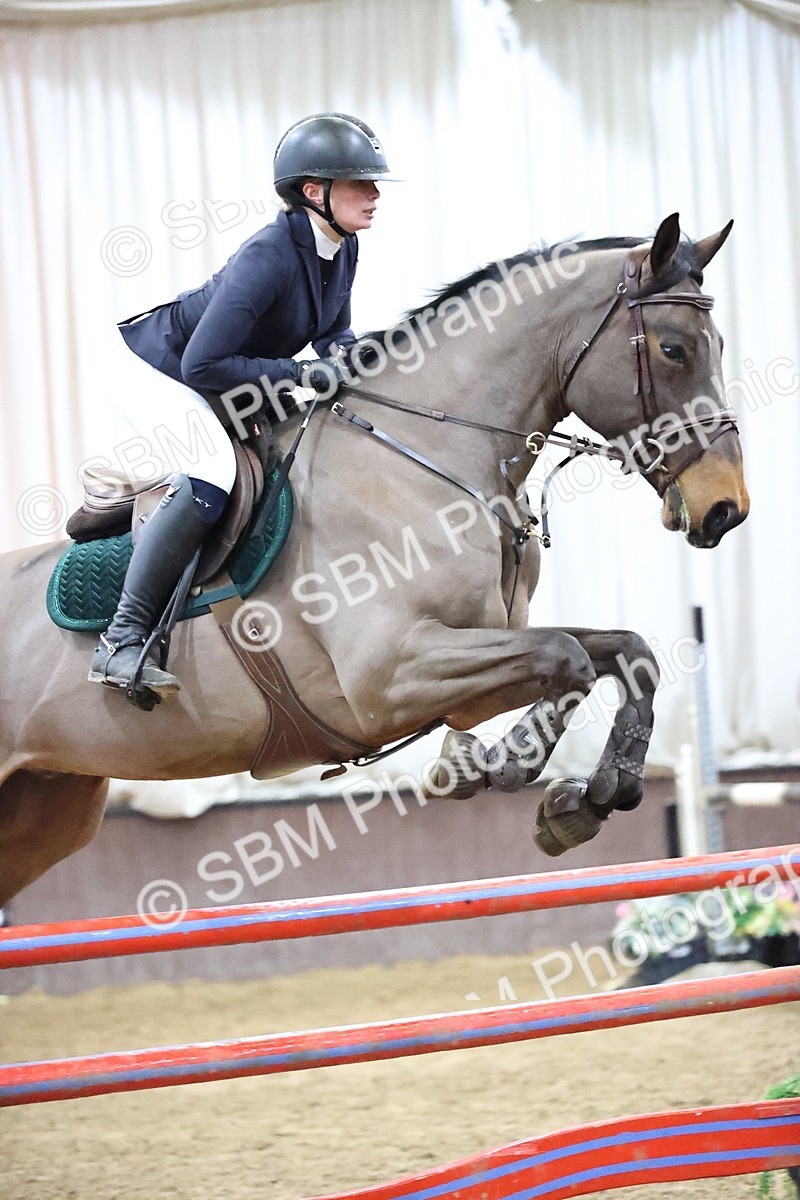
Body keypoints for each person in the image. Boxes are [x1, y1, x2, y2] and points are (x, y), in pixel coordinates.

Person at [88, 112, 391, 698]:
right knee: (213, 473)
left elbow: (332, 334)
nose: (375, 195)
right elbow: (203, 363)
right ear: (314, 192)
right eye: (361, 183)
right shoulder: (268, 257)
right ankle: (120, 640)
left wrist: (363, 361)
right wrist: (300, 372)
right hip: (154, 369)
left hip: (214, 374)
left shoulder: (343, 248)